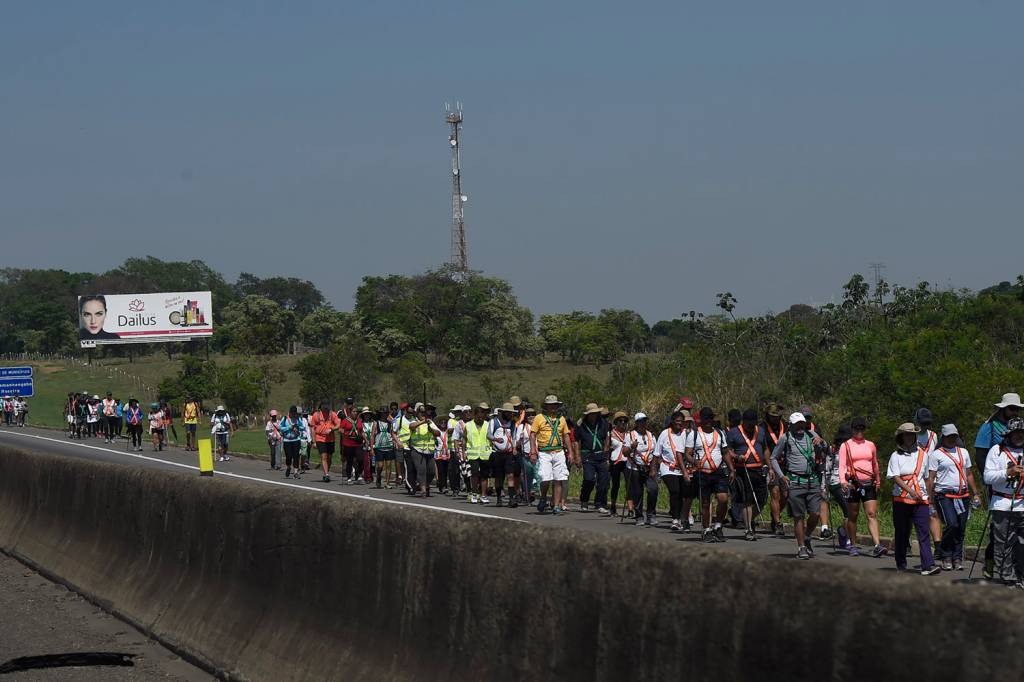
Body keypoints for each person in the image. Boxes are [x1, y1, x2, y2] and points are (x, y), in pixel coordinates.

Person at [975, 392, 1022, 580]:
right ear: (1003, 409)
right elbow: (980, 456)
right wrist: (995, 481)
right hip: (997, 480)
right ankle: (991, 561)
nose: (1015, 412)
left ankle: (1015, 570)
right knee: (1000, 530)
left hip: (1019, 488)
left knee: (1015, 535)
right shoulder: (989, 427)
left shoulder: (1019, 427)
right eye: (1012, 408)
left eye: (1017, 409)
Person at [927, 424, 982, 571]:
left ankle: (957, 557)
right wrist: (929, 499)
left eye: (954, 436)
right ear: (943, 437)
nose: (952, 439)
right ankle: (945, 554)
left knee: (961, 527)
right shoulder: (936, 454)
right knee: (952, 524)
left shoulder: (963, 452)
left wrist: (976, 493)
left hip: (962, 495)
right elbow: (931, 478)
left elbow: (969, 473)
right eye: (949, 436)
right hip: (945, 495)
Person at [888, 423, 940, 575]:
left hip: (920, 498)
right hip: (901, 499)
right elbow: (895, 477)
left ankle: (927, 565)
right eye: (907, 434)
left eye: (912, 434)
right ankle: (901, 563)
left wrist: (929, 497)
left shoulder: (923, 454)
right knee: (902, 532)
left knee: (923, 531)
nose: (910, 437)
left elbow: (926, 478)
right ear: (901, 437)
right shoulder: (895, 456)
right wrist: (910, 491)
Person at [771, 412, 824, 560]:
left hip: (812, 480)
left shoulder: (811, 434)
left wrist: (821, 441)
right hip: (795, 481)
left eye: (802, 423)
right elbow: (773, 458)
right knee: (798, 516)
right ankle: (801, 547)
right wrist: (782, 476)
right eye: (797, 424)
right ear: (791, 425)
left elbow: (826, 448)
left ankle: (807, 537)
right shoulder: (785, 438)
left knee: (816, 513)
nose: (801, 426)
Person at [983, 416, 1024, 588]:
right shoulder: (996, 451)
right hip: (1002, 504)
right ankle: (1007, 575)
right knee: (1004, 543)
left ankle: (1020, 574)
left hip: (1022, 503)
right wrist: (1008, 472)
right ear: (1009, 434)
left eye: (1022, 433)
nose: (1019, 436)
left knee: (1021, 543)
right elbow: (988, 477)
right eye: (1016, 433)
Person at [839, 416, 887, 558]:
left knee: (871, 514)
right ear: (852, 429)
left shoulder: (870, 445)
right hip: (853, 484)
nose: (859, 431)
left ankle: (877, 545)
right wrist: (843, 481)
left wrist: (877, 480)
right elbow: (841, 465)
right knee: (853, 516)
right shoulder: (845, 445)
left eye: (862, 428)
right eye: (856, 428)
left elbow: (874, 463)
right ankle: (853, 545)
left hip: (869, 483)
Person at [687, 407, 733, 542]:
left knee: (723, 499)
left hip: (718, 471)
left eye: (710, 418)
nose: (708, 421)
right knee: (705, 503)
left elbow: (725, 452)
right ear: (701, 420)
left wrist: (731, 469)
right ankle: (706, 529)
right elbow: (687, 454)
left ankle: (718, 525)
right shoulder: (694, 434)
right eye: (706, 419)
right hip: (702, 472)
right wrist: (694, 461)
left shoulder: (720, 433)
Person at [727, 409, 769, 541]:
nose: (751, 426)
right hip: (743, 469)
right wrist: (736, 456)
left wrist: (770, 466)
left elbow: (765, 448)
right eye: (748, 423)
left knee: (762, 499)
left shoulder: (761, 431)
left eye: (753, 423)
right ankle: (748, 530)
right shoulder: (734, 432)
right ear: (743, 421)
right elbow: (727, 450)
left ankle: (750, 519)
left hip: (759, 469)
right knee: (748, 499)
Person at [530, 396, 572, 514]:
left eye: (555, 405)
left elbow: (566, 436)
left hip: (559, 451)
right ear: (546, 406)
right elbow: (533, 434)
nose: (553, 407)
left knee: (559, 479)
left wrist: (570, 453)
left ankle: (556, 505)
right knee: (545, 478)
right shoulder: (539, 418)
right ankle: (543, 497)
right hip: (544, 452)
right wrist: (533, 451)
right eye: (551, 405)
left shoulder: (561, 419)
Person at [656, 410, 690, 530]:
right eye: (677, 422)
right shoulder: (665, 434)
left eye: (681, 422)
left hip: (682, 469)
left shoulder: (686, 434)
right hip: (667, 468)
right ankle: (675, 519)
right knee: (674, 490)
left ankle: (681, 518)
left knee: (683, 493)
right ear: (672, 422)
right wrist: (653, 470)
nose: (679, 424)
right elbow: (656, 453)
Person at [575, 403, 611, 514]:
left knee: (604, 480)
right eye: (592, 414)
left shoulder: (603, 423)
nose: (594, 415)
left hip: (601, 455)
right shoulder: (581, 425)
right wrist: (577, 456)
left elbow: (607, 436)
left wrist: (606, 447)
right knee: (589, 479)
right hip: (587, 455)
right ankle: (584, 500)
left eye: (596, 413)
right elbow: (577, 441)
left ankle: (600, 503)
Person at [914, 407, 942, 548]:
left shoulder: (933, 436)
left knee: (933, 511)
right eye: (922, 423)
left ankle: (937, 545)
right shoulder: (911, 435)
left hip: (930, 478)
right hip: (914, 479)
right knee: (910, 512)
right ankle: (906, 543)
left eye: (927, 423)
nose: (925, 426)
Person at [821, 424, 854, 547]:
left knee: (852, 512)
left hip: (850, 483)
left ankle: (843, 531)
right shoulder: (833, 449)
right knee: (848, 511)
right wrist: (824, 486)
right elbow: (827, 469)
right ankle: (850, 539)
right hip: (836, 483)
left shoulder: (853, 448)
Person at [624, 413, 658, 526]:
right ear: (636, 423)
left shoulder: (651, 435)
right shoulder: (630, 435)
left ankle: (651, 514)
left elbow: (656, 452)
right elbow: (624, 452)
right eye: (640, 421)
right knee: (637, 493)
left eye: (644, 421)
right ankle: (639, 516)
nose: (643, 423)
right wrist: (631, 447)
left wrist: (655, 468)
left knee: (653, 490)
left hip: (649, 467)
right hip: (635, 467)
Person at [762, 403, 788, 537]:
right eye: (772, 416)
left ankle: (775, 514)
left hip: (785, 465)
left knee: (786, 495)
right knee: (775, 492)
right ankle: (777, 523)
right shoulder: (762, 428)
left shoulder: (786, 425)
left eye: (777, 416)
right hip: (770, 465)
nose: (775, 419)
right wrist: (770, 466)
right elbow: (764, 447)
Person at [407, 403, 441, 497]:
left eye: (424, 412)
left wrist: (431, 429)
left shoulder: (430, 422)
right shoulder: (414, 421)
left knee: (431, 471)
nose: (423, 413)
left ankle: (425, 485)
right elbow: (412, 427)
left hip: (429, 451)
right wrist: (423, 422)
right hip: (417, 450)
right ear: (417, 413)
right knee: (421, 470)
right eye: (421, 412)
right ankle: (423, 489)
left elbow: (438, 433)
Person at [489, 403, 519, 507]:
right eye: (508, 413)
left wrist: (514, 447)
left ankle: (511, 499)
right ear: (503, 412)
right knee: (499, 477)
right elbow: (488, 435)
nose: (510, 415)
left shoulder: (512, 423)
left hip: (509, 453)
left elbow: (514, 436)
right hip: (497, 453)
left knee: (510, 475)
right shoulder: (494, 422)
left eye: (511, 413)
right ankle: (499, 498)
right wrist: (495, 439)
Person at [464, 403, 493, 504]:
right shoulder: (468, 425)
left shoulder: (488, 424)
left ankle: (484, 495)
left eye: (483, 416)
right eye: (479, 416)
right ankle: (474, 493)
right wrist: (464, 451)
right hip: (473, 454)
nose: (481, 418)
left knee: (484, 475)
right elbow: (464, 439)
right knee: (474, 474)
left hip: (485, 454)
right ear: (474, 415)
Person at [309, 401, 341, 482]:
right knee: (324, 457)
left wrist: (332, 429)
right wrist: (314, 441)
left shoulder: (332, 414)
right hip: (320, 438)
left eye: (327, 404)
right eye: (324, 405)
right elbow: (313, 428)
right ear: (321, 406)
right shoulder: (316, 415)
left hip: (330, 439)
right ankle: (326, 474)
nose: (326, 406)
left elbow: (338, 424)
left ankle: (327, 471)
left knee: (329, 458)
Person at [607, 412, 631, 517]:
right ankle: (613, 506)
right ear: (616, 422)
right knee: (615, 485)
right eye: (620, 421)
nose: (623, 423)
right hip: (615, 461)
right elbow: (606, 448)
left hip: (627, 461)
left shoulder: (629, 434)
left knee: (629, 485)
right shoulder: (610, 433)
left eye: (625, 421)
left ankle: (631, 509)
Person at [339, 400, 364, 485]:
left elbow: (362, 431)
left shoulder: (359, 421)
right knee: (349, 461)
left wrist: (366, 440)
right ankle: (349, 478)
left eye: (356, 412)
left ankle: (359, 476)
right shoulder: (345, 420)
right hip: (348, 442)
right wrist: (342, 431)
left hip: (358, 442)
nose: (355, 413)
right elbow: (341, 429)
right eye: (354, 411)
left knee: (360, 459)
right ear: (350, 412)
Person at [372, 406, 396, 488]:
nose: (385, 415)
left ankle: (387, 483)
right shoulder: (376, 423)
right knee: (380, 466)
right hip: (379, 447)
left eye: (386, 413)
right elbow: (372, 436)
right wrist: (372, 448)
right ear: (381, 414)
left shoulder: (390, 423)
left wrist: (395, 441)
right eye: (383, 413)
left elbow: (392, 433)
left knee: (389, 465)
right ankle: (378, 476)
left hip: (389, 446)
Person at [279, 405, 307, 479]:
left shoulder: (298, 419)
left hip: (296, 440)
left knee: (296, 456)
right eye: (293, 413)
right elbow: (280, 428)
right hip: (287, 440)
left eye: (295, 413)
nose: (294, 415)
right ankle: (288, 467)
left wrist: (297, 427)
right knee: (288, 456)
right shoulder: (284, 419)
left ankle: (295, 472)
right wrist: (289, 427)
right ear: (290, 412)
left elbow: (302, 427)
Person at [433, 413, 451, 495]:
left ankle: (444, 486)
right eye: (441, 422)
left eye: (445, 422)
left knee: (446, 471)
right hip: (439, 454)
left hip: (447, 454)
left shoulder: (448, 432)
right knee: (441, 471)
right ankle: (442, 486)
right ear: (439, 424)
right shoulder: (437, 432)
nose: (443, 424)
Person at [359, 407, 376, 484]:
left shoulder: (374, 423)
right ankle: (367, 477)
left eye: (368, 414)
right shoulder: (361, 423)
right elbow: (361, 433)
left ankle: (372, 474)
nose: (367, 416)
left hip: (374, 444)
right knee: (366, 461)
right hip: (364, 444)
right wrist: (366, 441)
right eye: (365, 415)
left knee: (373, 461)